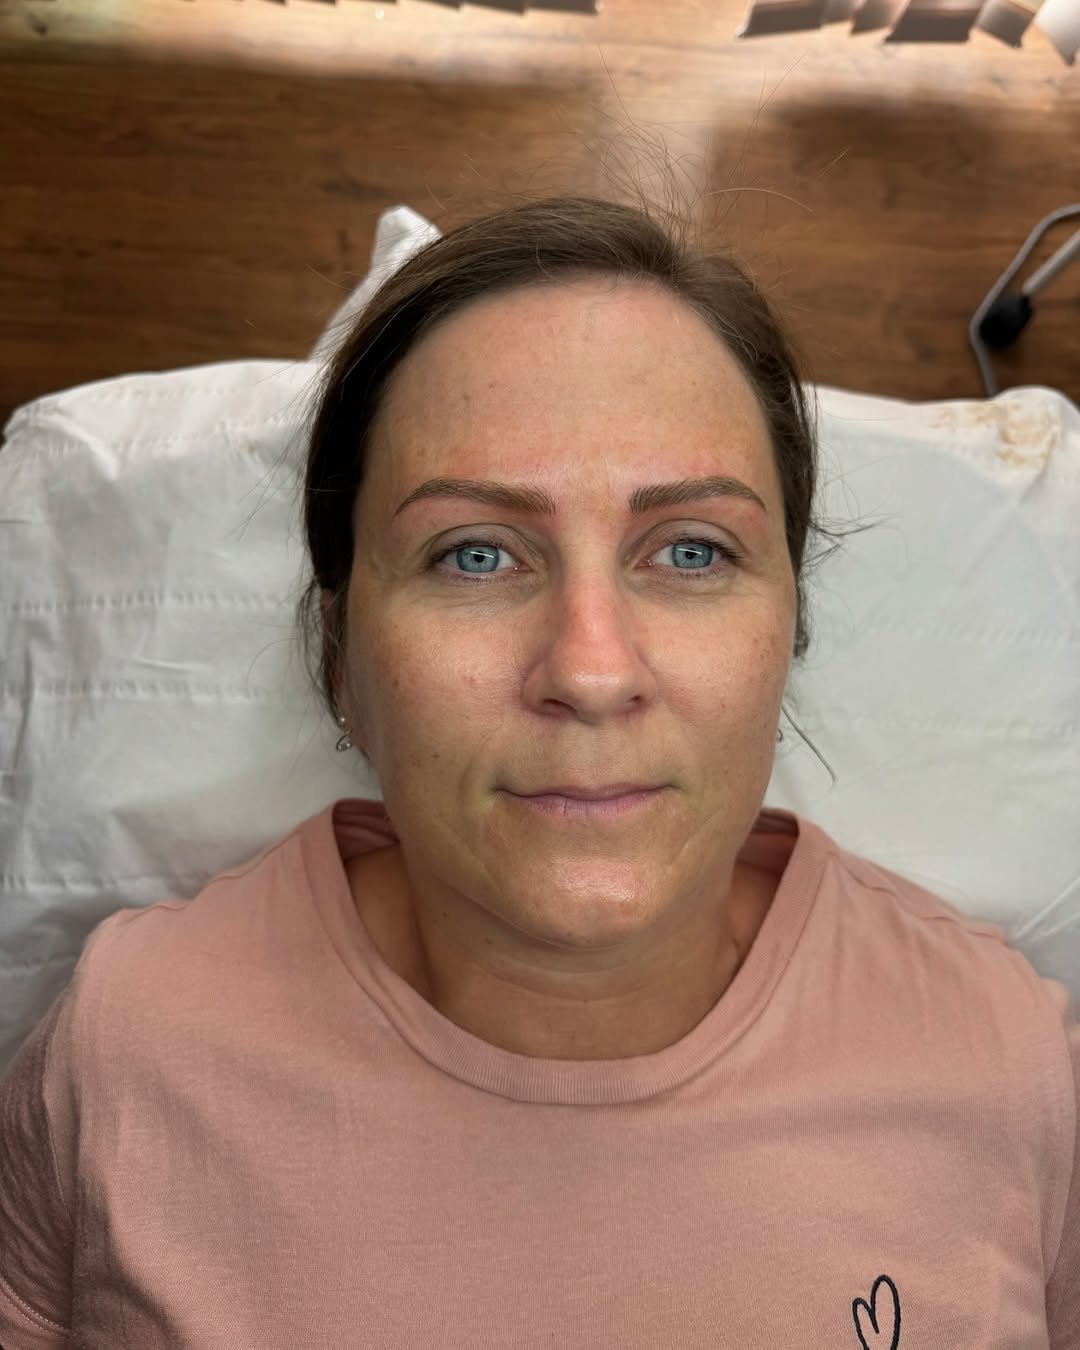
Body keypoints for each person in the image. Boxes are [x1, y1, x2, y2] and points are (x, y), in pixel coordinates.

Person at [1, 195, 1077, 1348]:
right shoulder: (129, 1050)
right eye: (474, 554)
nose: (593, 671)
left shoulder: (1005, 1064)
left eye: (691, 551)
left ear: (791, 634)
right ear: (341, 659)